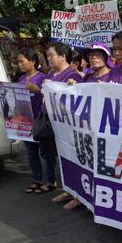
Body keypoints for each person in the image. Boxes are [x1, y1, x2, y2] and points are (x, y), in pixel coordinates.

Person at [46, 43, 83, 206]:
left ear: (62, 56)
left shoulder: (73, 75)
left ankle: (79, 195)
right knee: (63, 157)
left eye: (51, 55)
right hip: (56, 123)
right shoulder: (51, 74)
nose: (48, 58)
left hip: (70, 127)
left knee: (75, 157)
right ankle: (68, 189)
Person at [16, 48, 56, 194]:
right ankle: (37, 180)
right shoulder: (21, 80)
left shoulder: (42, 77)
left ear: (32, 62)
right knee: (31, 153)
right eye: (18, 62)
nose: (19, 64)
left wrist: (37, 90)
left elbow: (49, 96)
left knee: (46, 152)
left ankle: (51, 180)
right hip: (25, 123)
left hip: (40, 122)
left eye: (22, 61)